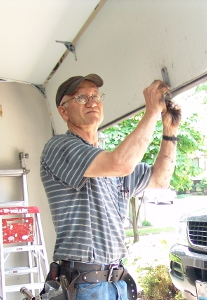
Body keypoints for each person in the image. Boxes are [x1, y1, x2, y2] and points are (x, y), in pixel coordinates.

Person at [40, 73, 181, 300]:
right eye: (81, 98)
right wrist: (152, 111)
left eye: (95, 95)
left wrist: (170, 130)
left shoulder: (109, 163)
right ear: (63, 111)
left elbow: (160, 180)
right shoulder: (58, 146)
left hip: (117, 283)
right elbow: (121, 163)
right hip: (83, 284)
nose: (92, 101)